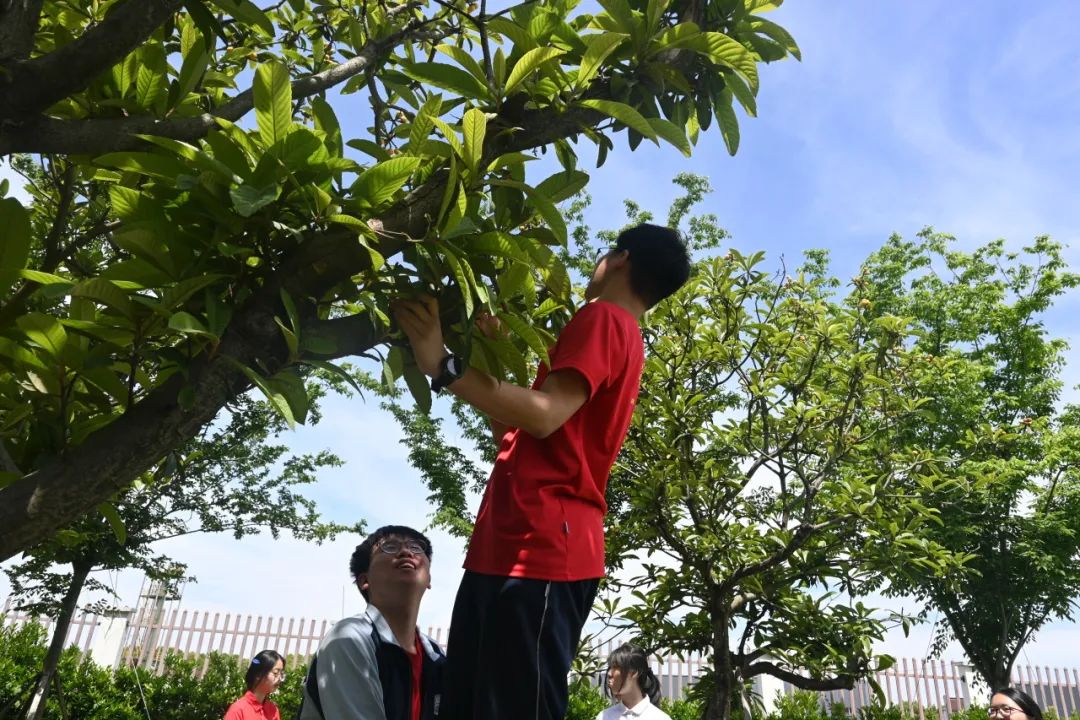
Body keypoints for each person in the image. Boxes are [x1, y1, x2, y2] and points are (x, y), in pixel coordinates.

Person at [393, 223, 692, 720]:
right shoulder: (621, 333)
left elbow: (543, 413)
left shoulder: (601, 319)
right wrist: (488, 357)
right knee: (474, 706)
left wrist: (443, 366)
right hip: (513, 540)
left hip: (542, 546)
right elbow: (519, 434)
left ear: (619, 259)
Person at [297, 526, 445, 720]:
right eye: (390, 547)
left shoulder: (435, 655)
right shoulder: (349, 638)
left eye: (417, 548)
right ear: (364, 580)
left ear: (429, 580)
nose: (406, 552)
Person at [598, 644, 670, 720]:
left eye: (615, 667)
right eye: (610, 667)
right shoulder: (604, 717)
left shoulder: (660, 718)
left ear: (634, 672)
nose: (609, 673)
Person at [224, 649, 285, 720]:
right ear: (258, 674)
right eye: (275, 673)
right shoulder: (238, 710)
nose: (279, 678)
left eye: (281, 674)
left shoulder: (273, 710)